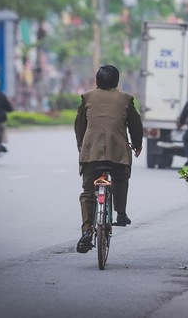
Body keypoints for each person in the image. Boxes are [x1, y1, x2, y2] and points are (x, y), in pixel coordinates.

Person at [74, 65, 143, 254]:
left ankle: (87, 231)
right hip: (118, 154)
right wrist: (137, 144)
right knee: (121, 179)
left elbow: (80, 125)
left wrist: (82, 145)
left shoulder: (87, 97)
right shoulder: (126, 99)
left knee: (88, 192)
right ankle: (121, 213)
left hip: (91, 154)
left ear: (96, 82)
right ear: (117, 82)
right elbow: (135, 126)